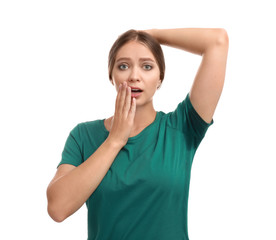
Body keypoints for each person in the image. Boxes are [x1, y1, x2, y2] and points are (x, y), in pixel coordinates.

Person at [47, 28, 229, 240]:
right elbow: (58, 208)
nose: (134, 76)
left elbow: (218, 41)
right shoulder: (84, 135)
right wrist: (115, 140)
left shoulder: (181, 127)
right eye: (123, 66)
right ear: (111, 76)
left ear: (160, 78)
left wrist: (147, 35)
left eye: (147, 66)